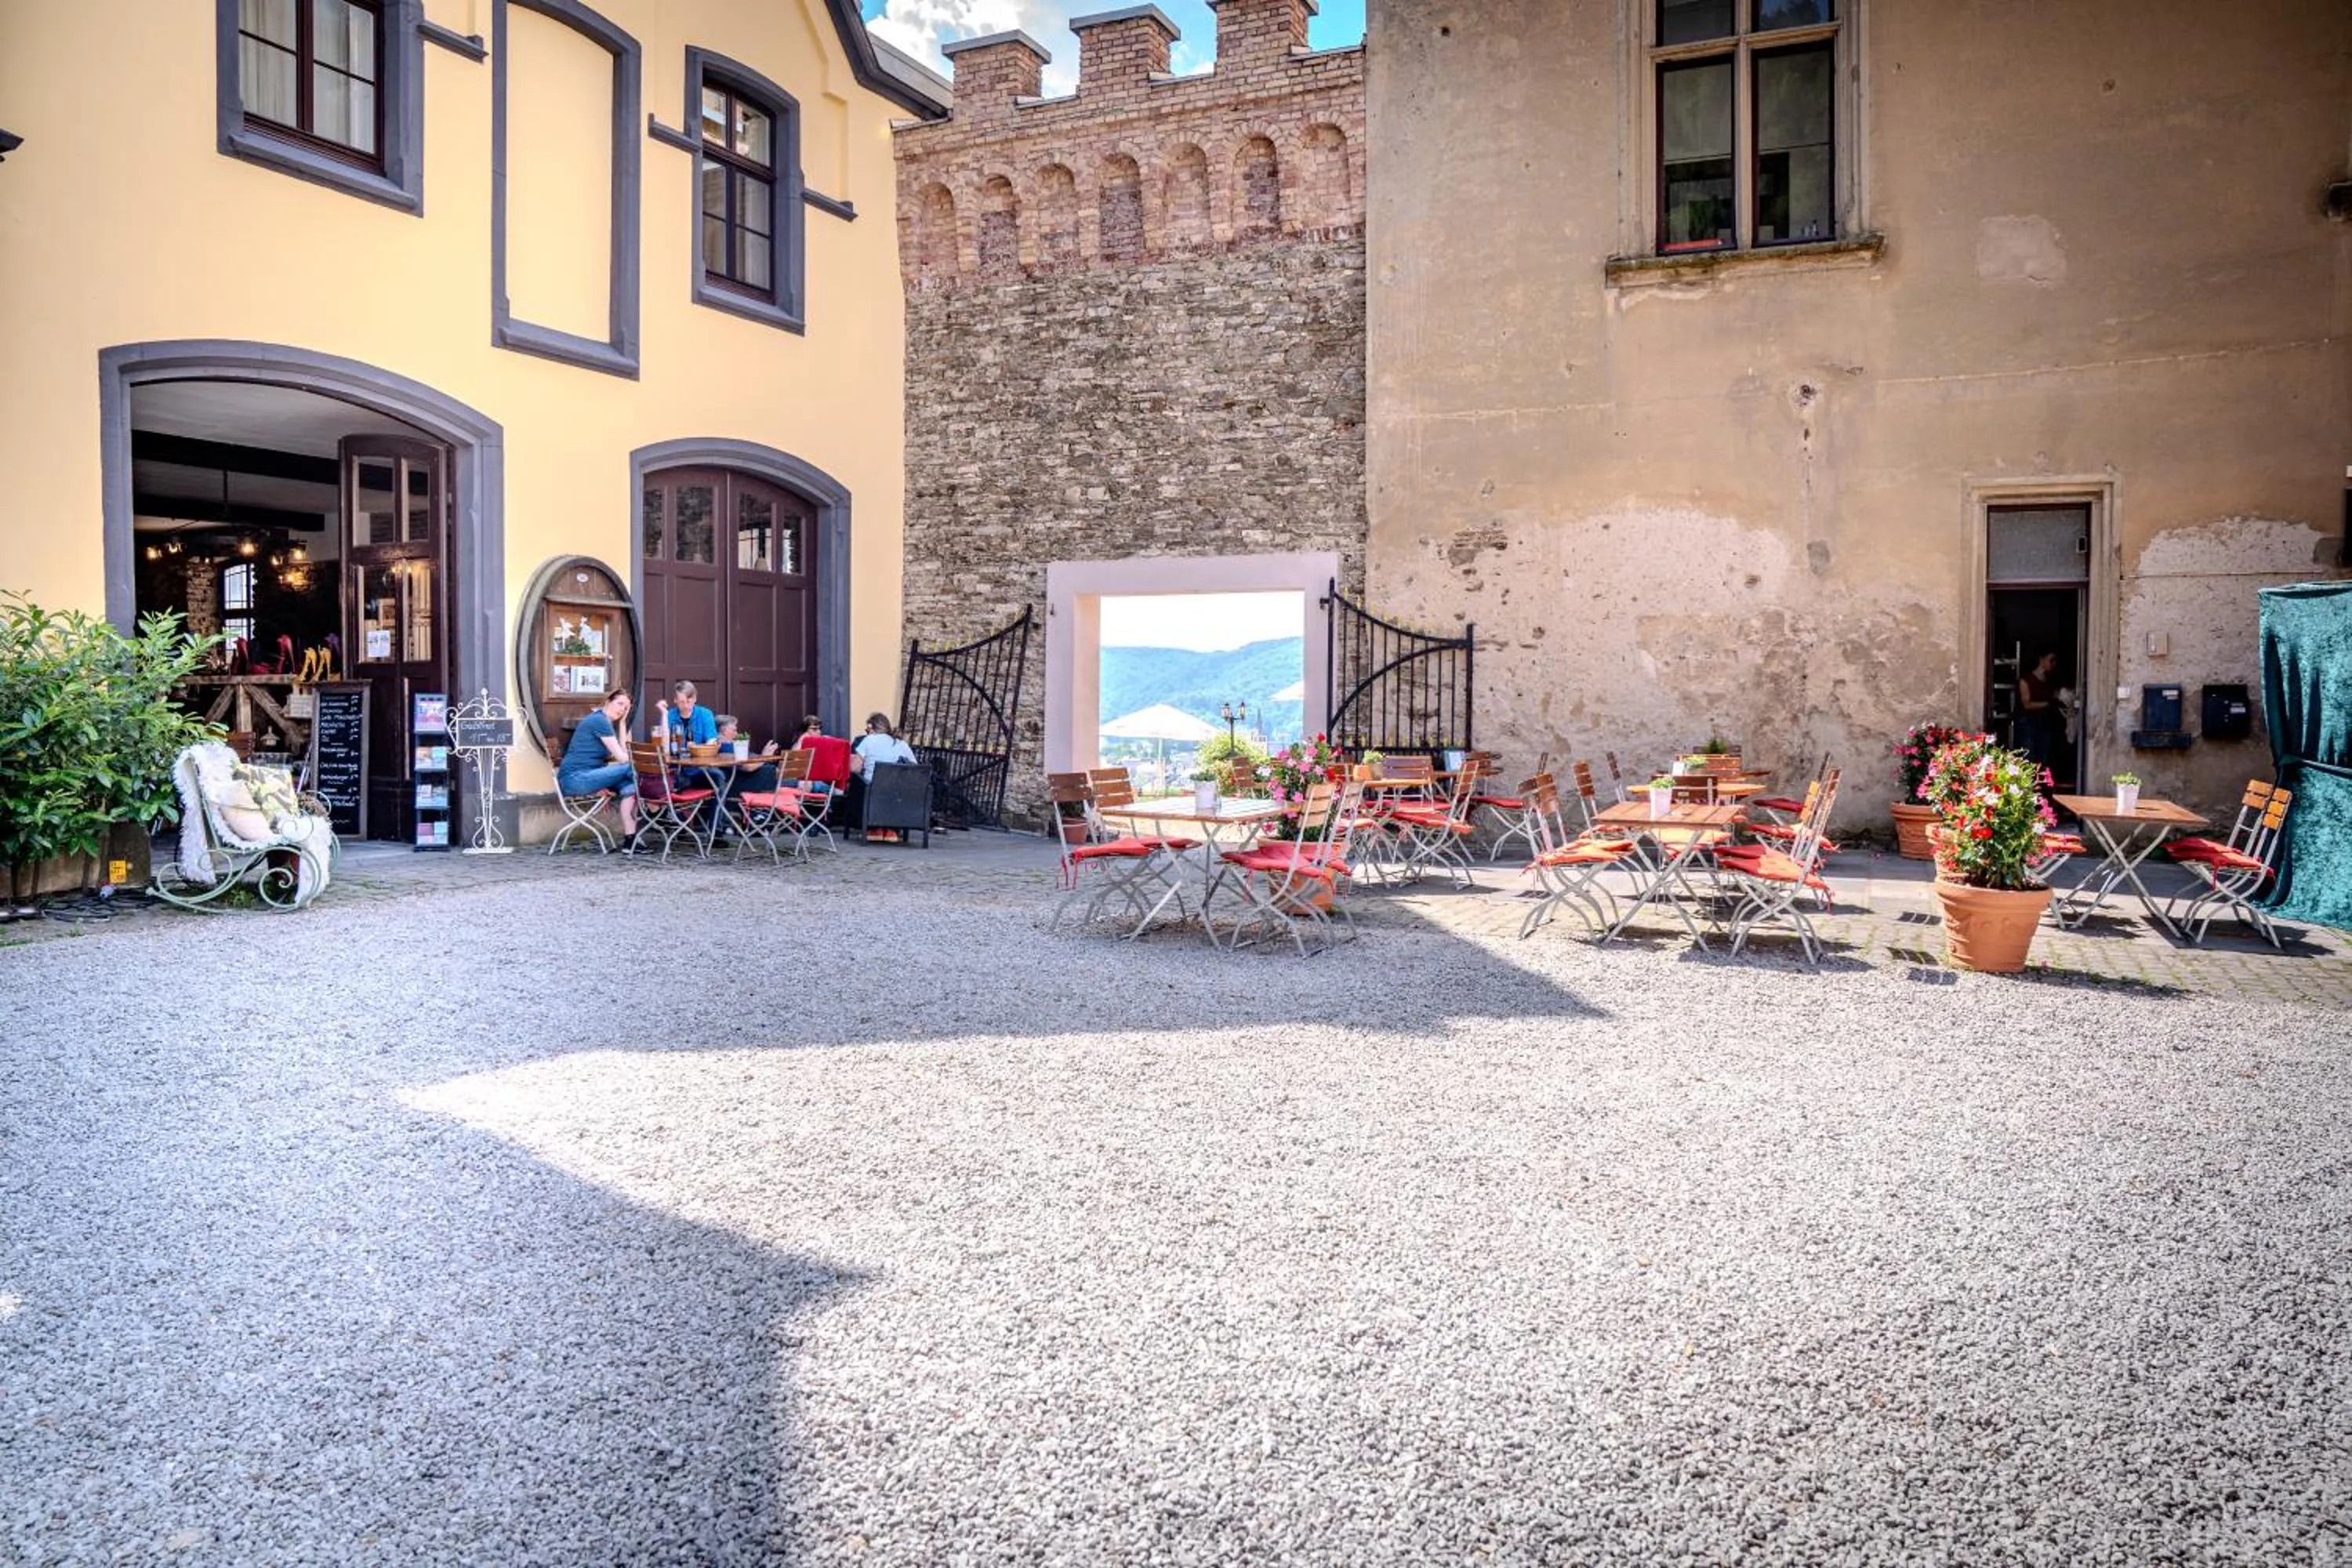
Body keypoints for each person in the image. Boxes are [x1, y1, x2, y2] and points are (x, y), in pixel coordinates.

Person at [556, 688, 641, 849]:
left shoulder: (605, 722)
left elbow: (623, 753)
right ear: (608, 702)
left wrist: (623, 723)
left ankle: (631, 841)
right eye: (619, 704)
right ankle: (659, 799)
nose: (622, 709)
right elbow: (623, 758)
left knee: (631, 787)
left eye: (626, 708)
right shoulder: (599, 721)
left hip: (590, 777)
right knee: (633, 769)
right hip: (575, 779)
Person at [845, 712, 917, 840]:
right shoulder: (900, 743)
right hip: (897, 792)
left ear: (872, 728)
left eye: (867, 730)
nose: (867, 733)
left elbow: (854, 768)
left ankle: (874, 829)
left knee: (857, 783)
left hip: (872, 790)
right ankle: (891, 831)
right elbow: (915, 767)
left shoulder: (869, 740)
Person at [2015, 651, 2062, 770]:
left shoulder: (2050, 680)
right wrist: (2049, 704)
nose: (2053, 664)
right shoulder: (2026, 680)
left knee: (2044, 757)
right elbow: (2027, 704)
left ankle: (2042, 785)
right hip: (2028, 723)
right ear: (2042, 660)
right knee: (2028, 757)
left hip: (2045, 723)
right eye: (2051, 660)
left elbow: (2057, 695)